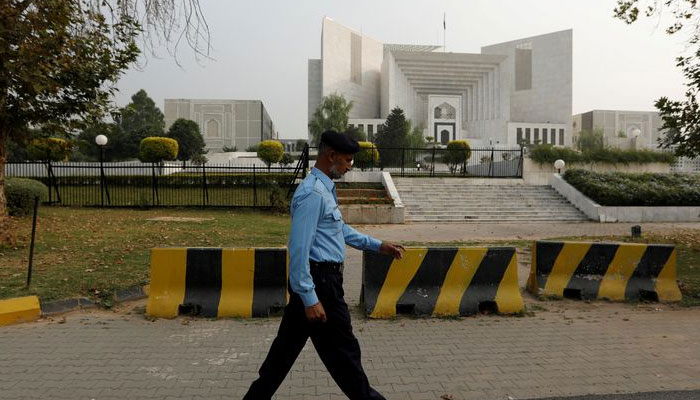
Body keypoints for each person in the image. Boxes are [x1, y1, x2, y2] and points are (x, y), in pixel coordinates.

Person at [243, 130, 405, 400]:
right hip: (321, 288)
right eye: (348, 160)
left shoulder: (325, 189)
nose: (350, 166)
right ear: (332, 156)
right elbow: (298, 250)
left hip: (318, 285)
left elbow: (339, 230)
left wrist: (379, 245)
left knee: (279, 360)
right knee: (346, 358)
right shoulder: (313, 194)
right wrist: (310, 298)